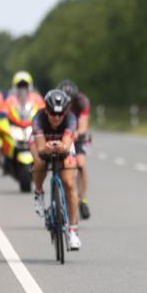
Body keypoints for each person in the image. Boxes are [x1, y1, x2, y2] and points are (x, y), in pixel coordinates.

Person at [31, 89, 82, 250]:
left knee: (69, 183)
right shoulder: (38, 119)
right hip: (43, 144)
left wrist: (63, 147)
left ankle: (73, 231)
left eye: (61, 114)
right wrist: (46, 149)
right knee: (40, 162)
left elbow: (67, 145)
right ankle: (39, 192)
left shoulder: (71, 119)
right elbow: (40, 149)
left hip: (63, 145)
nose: (57, 118)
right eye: (53, 113)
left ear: (66, 112)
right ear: (46, 110)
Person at [57, 79, 93, 220]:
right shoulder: (55, 100)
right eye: (67, 102)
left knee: (81, 164)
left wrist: (75, 134)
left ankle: (83, 199)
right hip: (60, 134)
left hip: (76, 135)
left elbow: (83, 126)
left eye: (71, 101)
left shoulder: (83, 102)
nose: (69, 105)